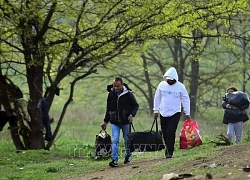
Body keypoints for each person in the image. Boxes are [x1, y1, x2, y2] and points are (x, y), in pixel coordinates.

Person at [101, 77, 139, 167]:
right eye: (114, 86)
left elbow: (135, 105)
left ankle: (128, 156)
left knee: (127, 140)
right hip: (114, 122)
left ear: (122, 85)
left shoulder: (128, 94)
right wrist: (105, 122)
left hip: (126, 121)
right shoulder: (111, 94)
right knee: (115, 140)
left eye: (118, 86)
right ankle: (114, 160)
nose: (116, 88)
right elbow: (108, 109)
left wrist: (131, 115)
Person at [153, 67, 191, 158]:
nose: (169, 82)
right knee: (165, 132)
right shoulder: (161, 85)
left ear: (175, 79)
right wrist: (155, 110)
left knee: (171, 131)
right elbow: (157, 97)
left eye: (171, 80)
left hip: (175, 112)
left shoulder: (180, 86)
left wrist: (187, 112)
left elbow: (185, 99)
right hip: (163, 112)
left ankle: (170, 151)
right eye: (168, 80)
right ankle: (167, 147)